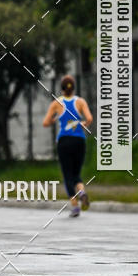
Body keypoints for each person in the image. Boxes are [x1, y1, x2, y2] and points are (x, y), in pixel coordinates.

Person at [42, 75, 93, 217]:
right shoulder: (80, 102)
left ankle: (75, 206)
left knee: (67, 175)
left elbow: (45, 122)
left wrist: (54, 119)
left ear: (62, 89)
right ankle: (82, 192)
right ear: (73, 87)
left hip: (64, 142)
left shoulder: (57, 103)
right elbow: (89, 119)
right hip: (79, 141)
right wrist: (81, 124)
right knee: (76, 174)